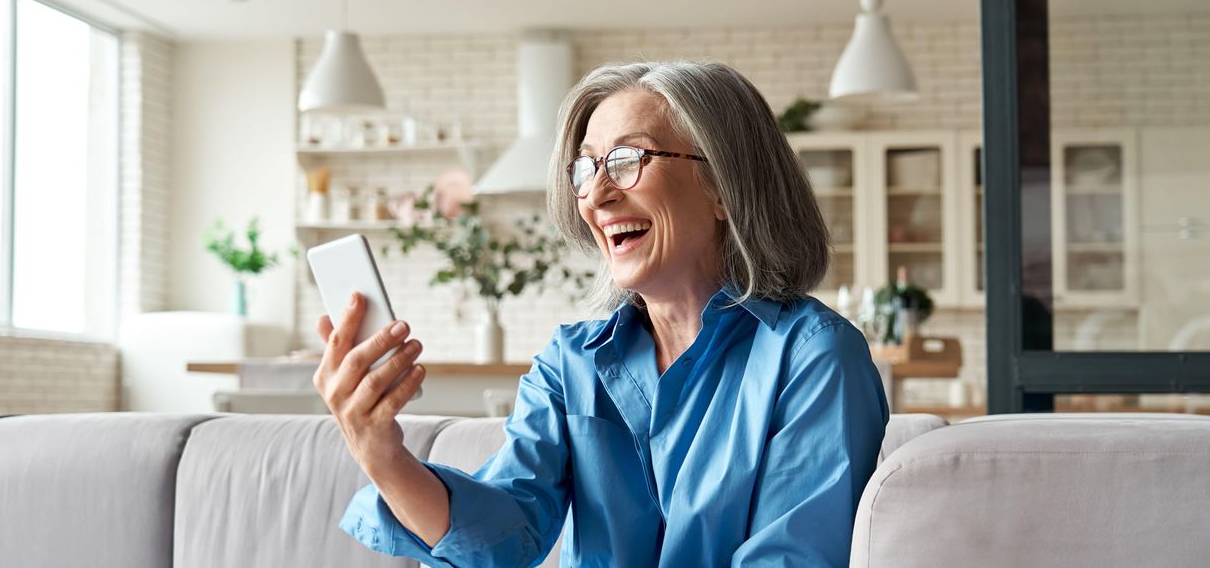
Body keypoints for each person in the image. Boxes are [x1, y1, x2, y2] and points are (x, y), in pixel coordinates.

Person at [314, 61, 890, 567]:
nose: (594, 194)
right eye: (587, 169)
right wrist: (381, 454)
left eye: (627, 159)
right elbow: (502, 537)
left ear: (724, 186)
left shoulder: (813, 357)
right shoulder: (572, 363)